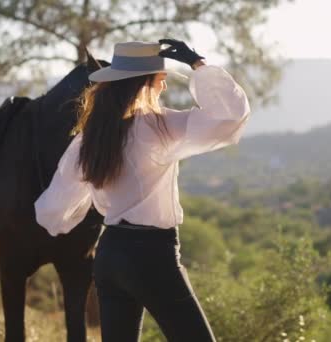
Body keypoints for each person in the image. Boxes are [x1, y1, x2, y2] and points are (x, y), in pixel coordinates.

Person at [34, 38, 250, 341]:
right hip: (152, 255)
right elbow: (230, 117)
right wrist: (198, 64)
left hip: (109, 255)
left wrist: (70, 220)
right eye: (160, 80)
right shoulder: (158, 127)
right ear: (144, 83)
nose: (163, 88)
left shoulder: (90, 137)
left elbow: (52, 210)